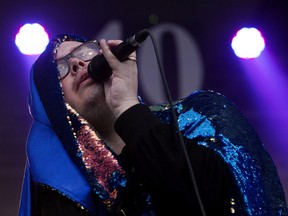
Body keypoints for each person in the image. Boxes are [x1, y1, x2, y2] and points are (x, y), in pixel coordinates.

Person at [18, 33, 288, 216]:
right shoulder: (71, 194)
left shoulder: (203, 114)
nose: (76, 63)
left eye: (83, 52)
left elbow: (215, 198)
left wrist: (126, 107)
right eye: (59, 70)